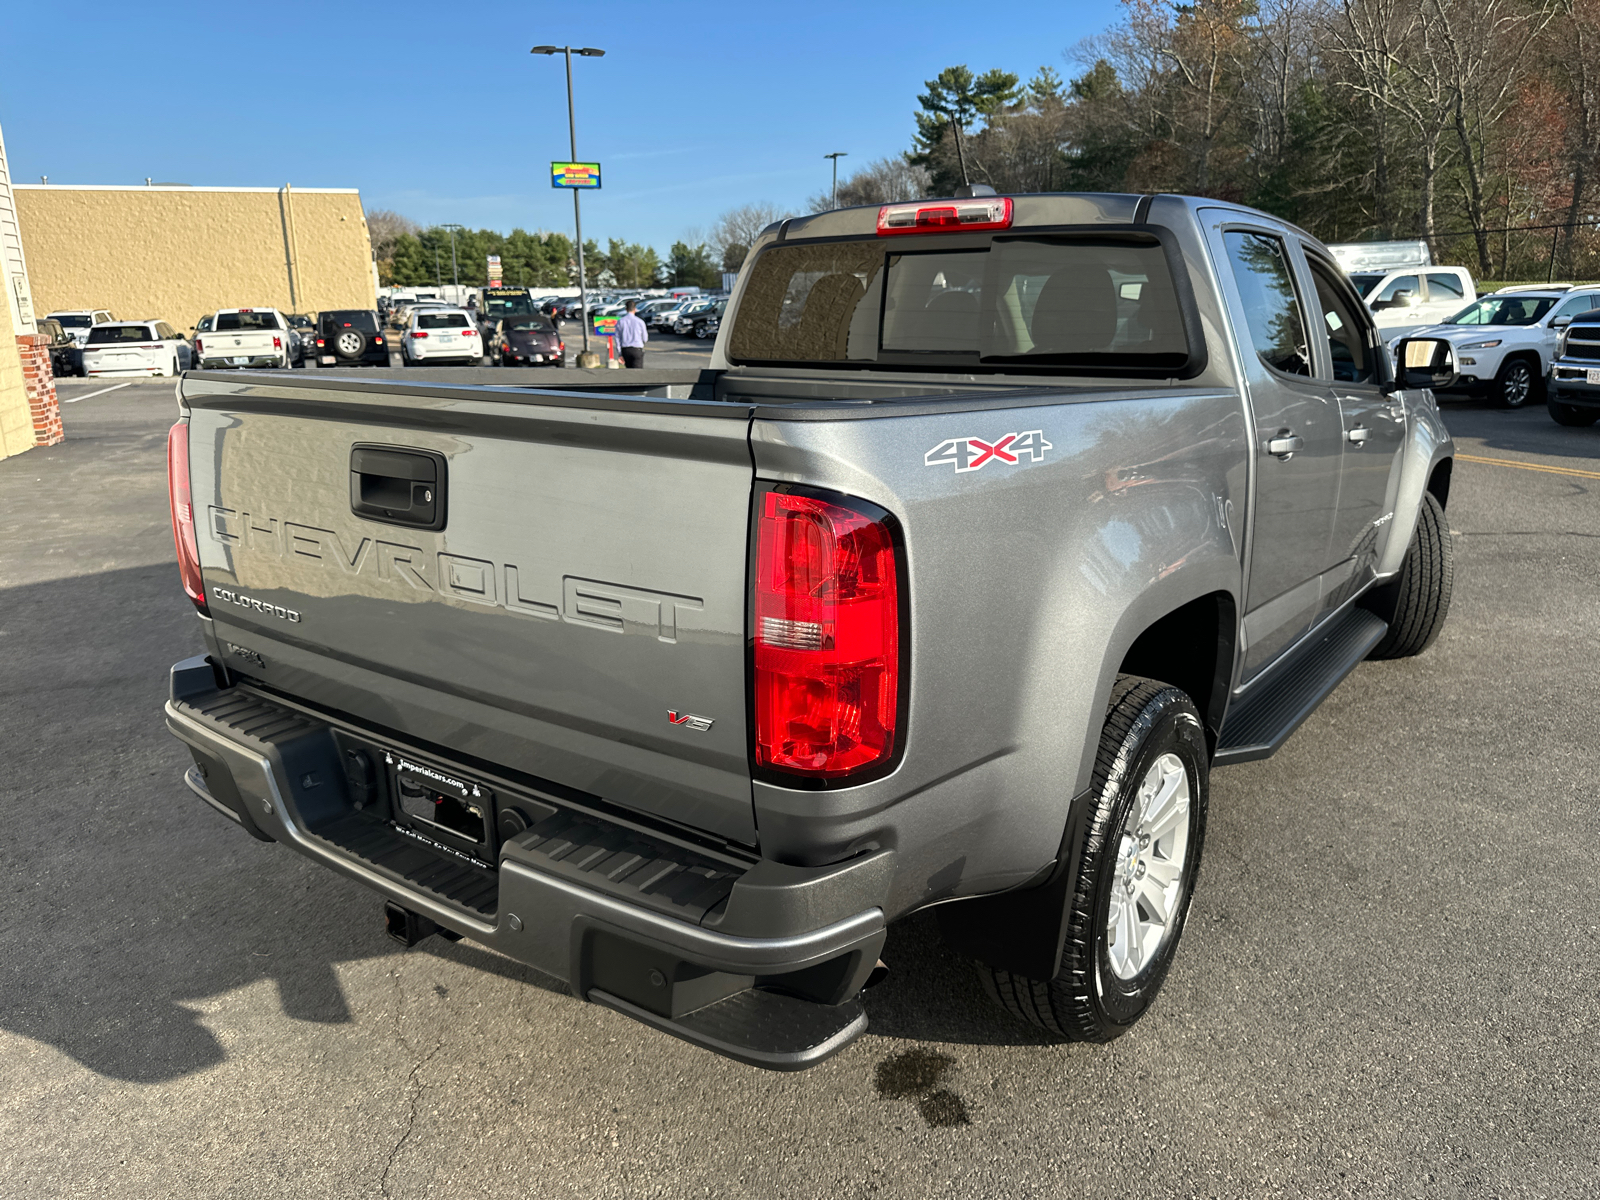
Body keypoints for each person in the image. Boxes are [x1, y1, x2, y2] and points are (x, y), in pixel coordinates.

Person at [616, 299, 648, 369]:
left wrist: (619, 353)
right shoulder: (640, 321)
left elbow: (618, 338)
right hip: (637, 348)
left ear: (626, 309)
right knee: (638, 371)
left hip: (626, 349)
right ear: (635, 309)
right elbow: (645, 338)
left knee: (629, 370)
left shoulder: (621, 321)